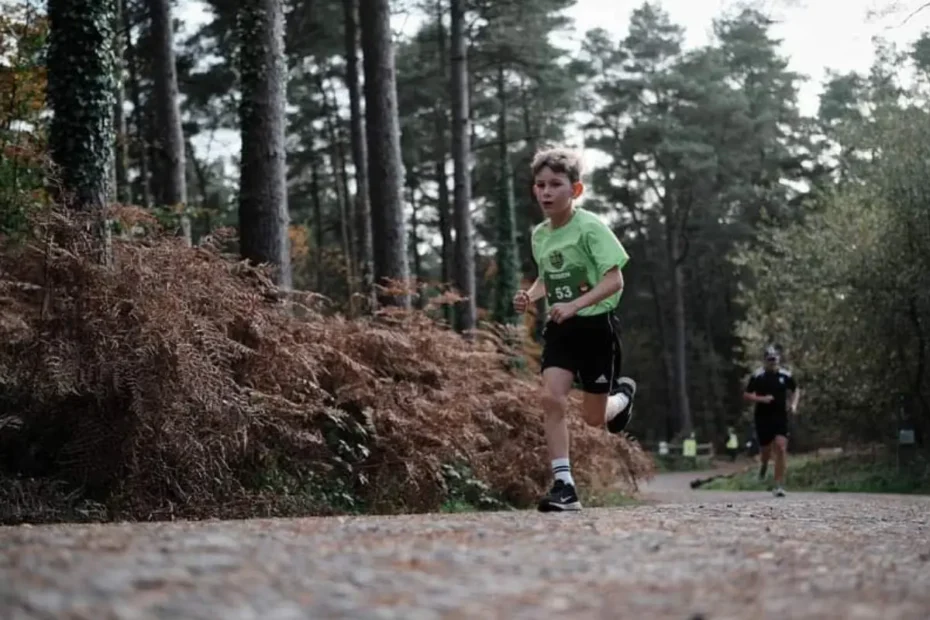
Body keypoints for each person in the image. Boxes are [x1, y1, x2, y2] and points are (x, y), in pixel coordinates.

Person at [512, 146, 637, 512]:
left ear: (575, 191)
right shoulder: (540, 235)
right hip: (562, 328)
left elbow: (615, 281)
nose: (546, 192)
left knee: (593, 419)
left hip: (597, 327)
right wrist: (531, 295)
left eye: (555, 184)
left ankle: (623, 396)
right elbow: (548, 278)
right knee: (551, 397)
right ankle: (564, 485)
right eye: (540, 185)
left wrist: (577, 305)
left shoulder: (592, 229)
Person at [743, 345, 800, 497]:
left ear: (778, 360)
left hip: (780, 416)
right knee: (766, 452)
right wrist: (761, 399)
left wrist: (793, 404)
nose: (772, 363)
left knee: (781, 448)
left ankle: (779, 485)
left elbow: (795, 390)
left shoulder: (785, 375)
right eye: (769, 360)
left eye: (775, 360)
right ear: (765, 361)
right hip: (762, 417)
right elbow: (747, 395)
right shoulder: (758, 376)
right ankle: (764, 464)